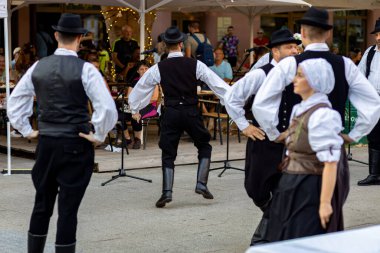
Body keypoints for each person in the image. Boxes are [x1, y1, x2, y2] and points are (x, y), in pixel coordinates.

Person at [7, 13, 118, 253]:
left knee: (42, 203)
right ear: (80, 38)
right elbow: (107, 107)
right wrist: (98, 134)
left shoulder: (39, 66)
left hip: (47, 143)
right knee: (68, 209)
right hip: (76, 143)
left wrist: (27, 130)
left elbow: (15, 101)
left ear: (56, 36)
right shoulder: (86, 69)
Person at [128, 26, 231, 208]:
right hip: (191, 111)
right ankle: (201, 183)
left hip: (172, 112)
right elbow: (217, 84)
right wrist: (231, 99)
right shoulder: (195, 64)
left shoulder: (158, 68)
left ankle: (167, 192)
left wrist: (135, 107)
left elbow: (140, 89)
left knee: (168, 152)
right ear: (182, 45)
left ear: (166, 46)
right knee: (204, 145)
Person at [253, 7, 380, 147]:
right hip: (332, 143)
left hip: (298, 146)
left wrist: (275, 134)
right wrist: (355, 135)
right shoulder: (345, 64)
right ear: (328, 33)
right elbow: (373, 102)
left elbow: (261, 103)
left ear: (302, 32)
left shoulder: (289, 64)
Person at [224, 28, 301, 245]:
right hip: (263, 141)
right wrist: (244, 126)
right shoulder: (261, 73)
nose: (295, 51)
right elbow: (232, 98)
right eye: (290, 47)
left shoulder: (302, 75)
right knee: (255, 189)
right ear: (275, 52)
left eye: (296, 46)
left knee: (284, 192)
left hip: (291, 143)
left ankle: (262, 241)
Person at [267, 58, 347, 241]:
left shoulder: (324, 115)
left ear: (315, 80)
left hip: (309, 186)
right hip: (290, 182)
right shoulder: (299, 109)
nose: (294, 79)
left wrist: (325, 203)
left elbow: (331, 163)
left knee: (305, 237)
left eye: (300, 75)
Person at [357, 18, 380, 185]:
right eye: (377, 34)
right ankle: (374, 174)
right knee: (374, 136)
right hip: (373, 100)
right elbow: (359, 74)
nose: (378, 38)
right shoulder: (370, 52)